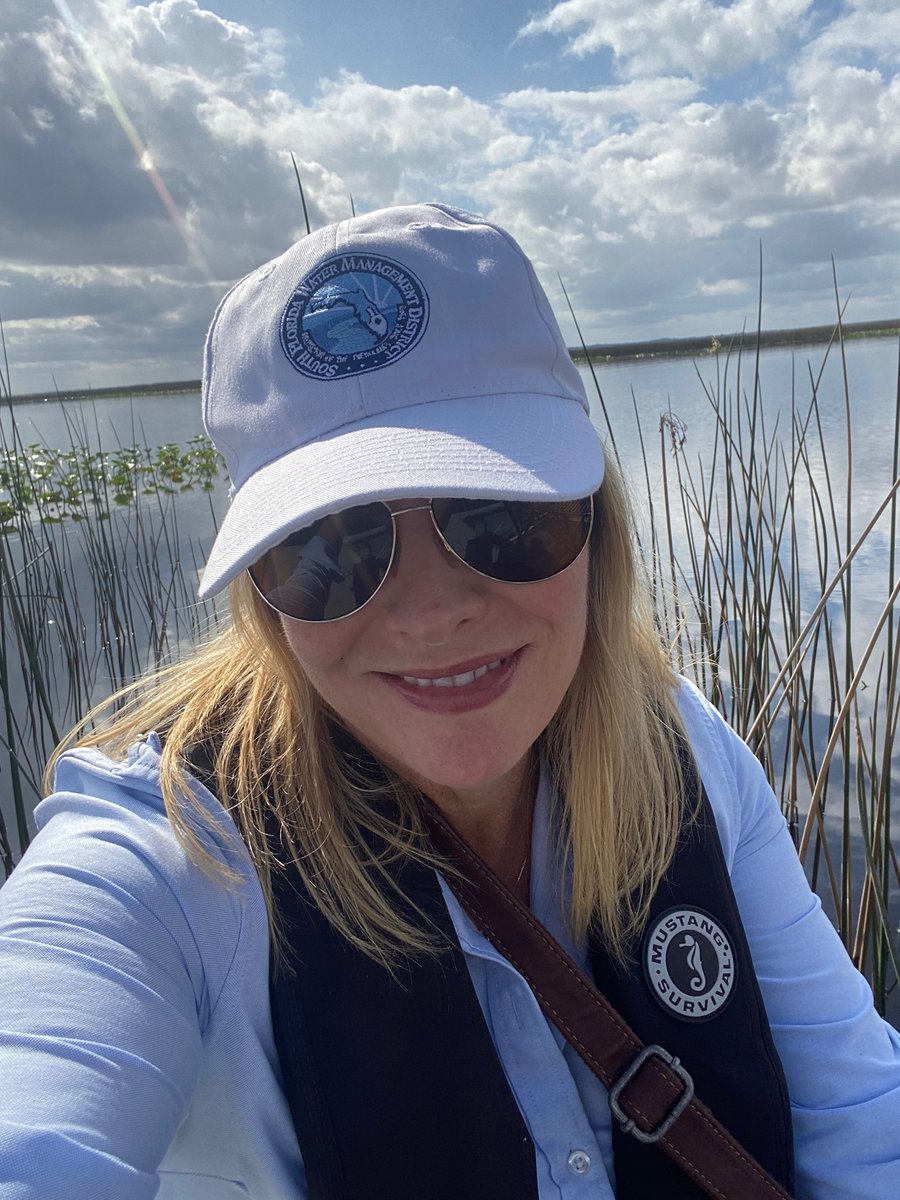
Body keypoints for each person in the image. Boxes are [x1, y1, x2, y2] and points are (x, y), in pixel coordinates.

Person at [0, 203, 898, 1200]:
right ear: (262, 587)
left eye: (498, 514)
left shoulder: (684, 745)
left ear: (598, 519)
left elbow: (868, 1124)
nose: (431, 614)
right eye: (331, 550)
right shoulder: (168, 861)